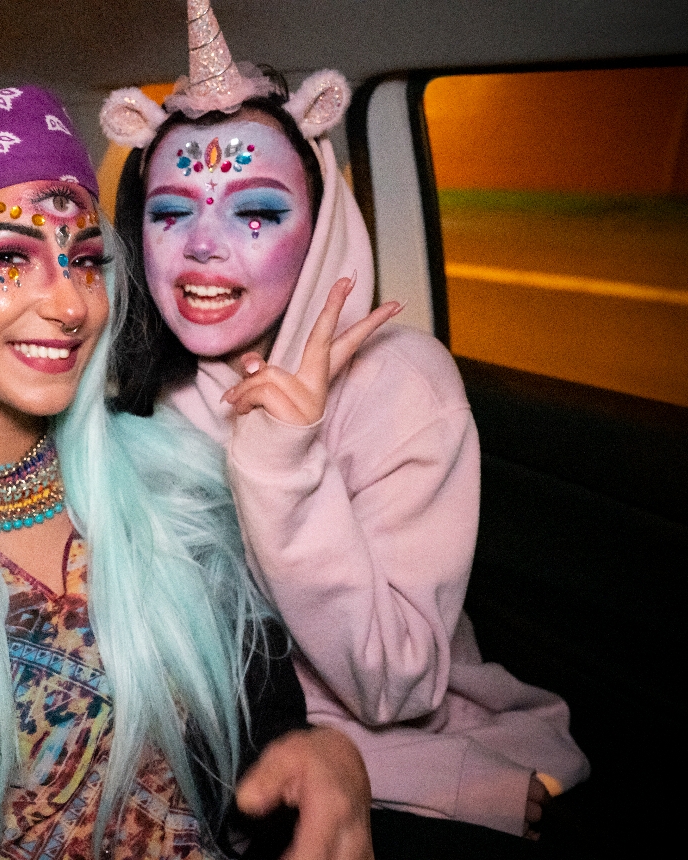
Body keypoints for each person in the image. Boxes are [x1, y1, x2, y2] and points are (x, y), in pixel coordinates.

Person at [102, 0, 589, 849]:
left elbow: (397, 686)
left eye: (256, 212)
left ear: (322, 228)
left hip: (389, 748)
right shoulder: (128, 384)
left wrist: (285, 468)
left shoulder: (401, 382)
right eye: (171, 212)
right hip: (218, 749)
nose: (204, 248)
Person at [0, 85, 372, 860]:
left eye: (84, 261)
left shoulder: (177, 489)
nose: (71, 305)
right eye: (10, 256)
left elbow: (271, 733)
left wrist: (332, 759)